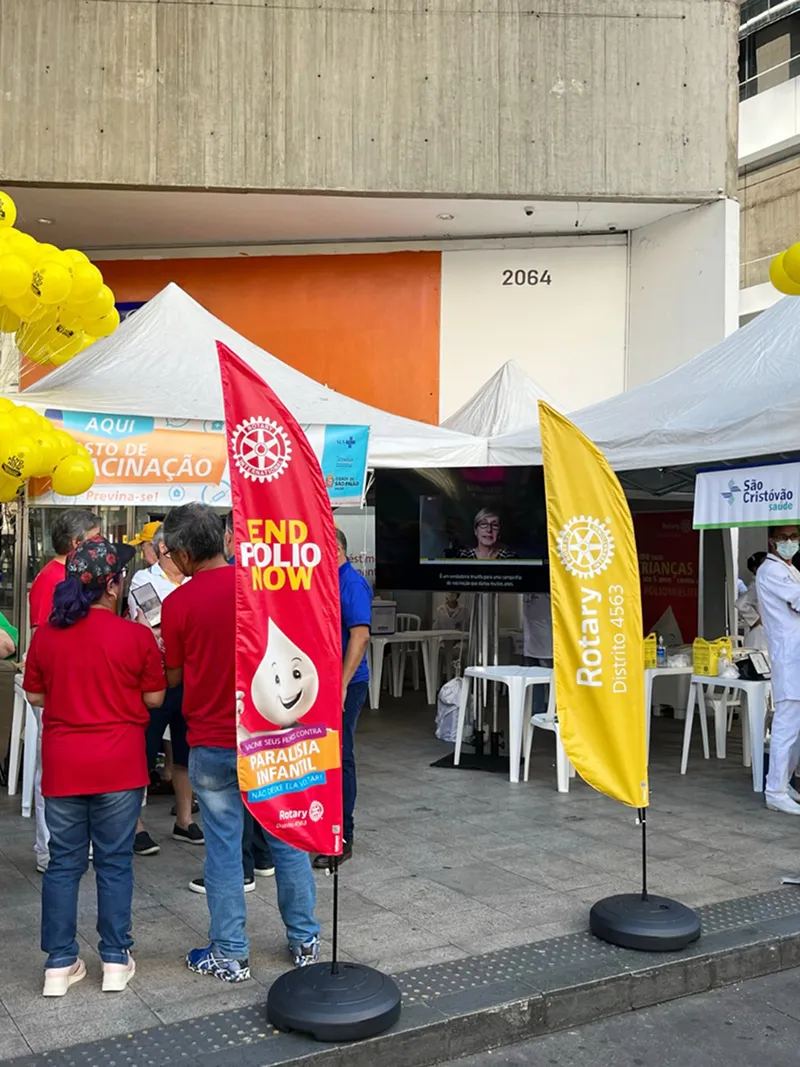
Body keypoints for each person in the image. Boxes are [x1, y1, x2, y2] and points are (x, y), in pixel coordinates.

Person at [160, 503, 320, 981]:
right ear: (226, 540)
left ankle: (230, 952)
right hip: (270, 736)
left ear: (185, 555)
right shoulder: (261, 588)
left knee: (224, 850)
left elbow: (172, 676)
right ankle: (305, 940)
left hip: (210, 740)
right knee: (288, 837)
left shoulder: (177, 604)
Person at [23, 537, 166, 997]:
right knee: (114, 862)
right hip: (120, 766)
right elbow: (155, 698)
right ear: (112, 586)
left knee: (64, 864)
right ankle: (114, 958)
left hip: (65, 765)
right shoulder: (136, 635)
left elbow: (35, 695)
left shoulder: (47, 634)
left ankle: (59, 965)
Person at [188, 511, 275, 895]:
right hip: (265, 720)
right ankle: (306, 937)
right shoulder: (268, 584)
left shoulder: (195, 595)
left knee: (224, 828)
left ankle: (231, 942)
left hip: (220, 724)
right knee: (266, 810)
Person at [28, 509, 101, 875]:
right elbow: (45, 638)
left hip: (73, 686)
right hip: (56, 688)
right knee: (51, 769)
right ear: (77, 544)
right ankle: (49, 848)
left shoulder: (69, 575)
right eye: (95, 537)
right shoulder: (52, 579)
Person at [128, 524, 203, 855]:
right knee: (144, 750)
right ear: (161, 549)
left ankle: (184, 820)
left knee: (186, 751)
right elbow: (155, 630)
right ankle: (135, 824)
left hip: (191, 678)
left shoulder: (195, 579)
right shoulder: (143, 581)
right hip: (155, 678)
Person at [314, 528, 371, 870]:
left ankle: (342, 835)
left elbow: (360, 635)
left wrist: (343, 683)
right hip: (320, 682)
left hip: (346, 683)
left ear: (333, 548)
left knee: (340, 755)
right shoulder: (324, 580)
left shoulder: (351, 583)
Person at [756, 526, 800, 815]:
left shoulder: (790, 569)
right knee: (787, 722)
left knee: (795, 725)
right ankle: (775, 791)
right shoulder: (771, 571)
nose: (789, 542)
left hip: (795, 652)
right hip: (789, 655)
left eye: (794, 537)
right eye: (784, 538)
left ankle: (784, 781)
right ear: (772, 541)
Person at [736, 551, 768, 651]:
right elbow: (740, 604)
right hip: (759, 635)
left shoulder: (765, 584)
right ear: (755, 568)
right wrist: (755, 620)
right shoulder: (756, 586)